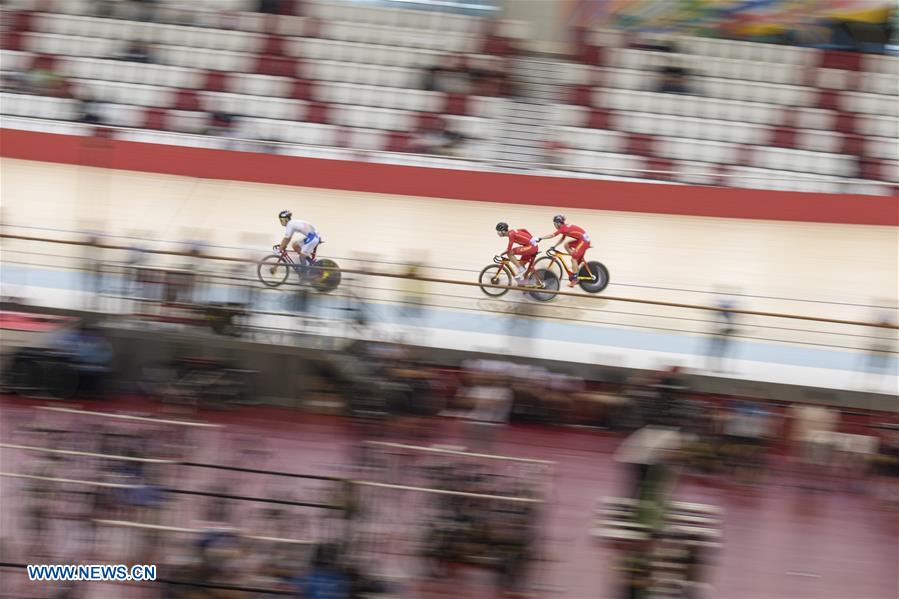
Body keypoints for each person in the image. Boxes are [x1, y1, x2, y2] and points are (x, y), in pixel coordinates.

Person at [538, 214, 591, 287]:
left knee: (573, 259)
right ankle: (576, 259)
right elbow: (562, 238)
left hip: (584, 241)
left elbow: (552, 235)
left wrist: (541, 238)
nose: (554, 225)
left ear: (558, 223)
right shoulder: (564, 227)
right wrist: (554, 246)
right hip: (582, 239)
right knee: (566, 245)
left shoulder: (563, 229)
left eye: (554, 224)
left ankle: (575, 279)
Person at [277, 210, 321, 276]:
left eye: (281, 220)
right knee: (295, 245)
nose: (280, 222)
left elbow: (286, 238)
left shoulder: (290, 224)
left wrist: (280, 248)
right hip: (313, 236)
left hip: (313, 237)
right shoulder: (292, 223)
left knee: (302, 256)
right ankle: (311, 263)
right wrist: (283, 245)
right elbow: (288, 238)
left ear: (285, 220)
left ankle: (304, 275)